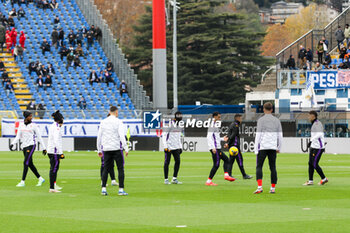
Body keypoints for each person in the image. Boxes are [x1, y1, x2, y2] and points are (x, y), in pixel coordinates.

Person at [97, 106, 129, 196]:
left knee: (106, 168)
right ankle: (121, 189)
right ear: (116, 112)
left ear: (109, 112)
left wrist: (99, 149)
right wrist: (126, 148)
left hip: (106, 149)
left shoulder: (103, 122)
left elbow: (99, 136)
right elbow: (121, 136)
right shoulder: (119, 122)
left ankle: (103, 188)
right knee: (120, 169)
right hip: (116, 148)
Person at [10, 111, 47, 188]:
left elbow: (39, 137)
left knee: (25, 162)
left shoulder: (34, 125)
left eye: (31, 116)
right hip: (24, 146)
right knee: (30, 164)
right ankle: (40, 178)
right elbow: (18, 136)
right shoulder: (21, 125)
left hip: (31, 145)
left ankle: (22, 181)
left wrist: (44, 148)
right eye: (30, 116)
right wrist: (13, 143)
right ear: (26, 117)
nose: (31, 117)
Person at [254, 102, 283, 194]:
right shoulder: (277, 120)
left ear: (263, 109)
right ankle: (273, 188)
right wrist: (279, 147)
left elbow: (258, 135)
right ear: (272, 110)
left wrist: (255, 149)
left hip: (263, 146)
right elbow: (280, 135)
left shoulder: (261, 120)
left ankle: (259, 187)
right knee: (273, 167)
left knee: (259, 166)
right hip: (272, 147)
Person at [206, 112, 236, 186]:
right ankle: (209, 181)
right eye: (219, 117)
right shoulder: (212, 125)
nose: (220, 118)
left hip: (217, 148)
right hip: (215, 148)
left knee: (226, 160)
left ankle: (226, 175)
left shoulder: (215, 125)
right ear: (215, 117)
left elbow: (216, 137)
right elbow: (209, 137)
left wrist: (223, 139)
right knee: (216, 165)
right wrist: (213, 147)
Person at [224, 114, 252, 179]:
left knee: (231, 161)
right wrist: (228, 143)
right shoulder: (235, 125)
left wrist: (228, 143)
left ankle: (229, 174)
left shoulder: (232, 124)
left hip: (232, 146)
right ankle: (244, 175)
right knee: (239, 160)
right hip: (235, 146)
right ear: (238, 118)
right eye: (241, 118)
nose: (241, 120)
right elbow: (233, 135)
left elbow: (229, 134)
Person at [303, 111, 328, 186]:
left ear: (313, 116)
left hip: (318, 147)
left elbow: (320, 134)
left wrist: (310, 141)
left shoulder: (317, 123)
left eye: (309, 116)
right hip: (314, 146)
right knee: (310, 163)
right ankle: (310, 181)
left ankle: (324, 178)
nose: (308, 117)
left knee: (314, 163)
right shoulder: (314, 123)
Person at [162, 111, 183, 185]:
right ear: (176, 116)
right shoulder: (170, 124)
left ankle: (174, 178)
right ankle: (166, 179)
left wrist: (180, 147)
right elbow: (164, 135)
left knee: (178, 161)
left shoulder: (179, 125)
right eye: (179, 115)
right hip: (169, 147)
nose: (181, 117)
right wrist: (165, 146)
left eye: (181, 115)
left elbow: (179, 137)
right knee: (167, 162)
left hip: (176, 147)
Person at [47, 110, 64, 193]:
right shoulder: (56, 127)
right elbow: (56, 140)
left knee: (54, 168)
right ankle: (52, 188)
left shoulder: (53, 126)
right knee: (54, 169)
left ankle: (53, 186)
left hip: (51, 150)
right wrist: (61, 153)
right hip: (54, 151)